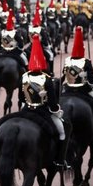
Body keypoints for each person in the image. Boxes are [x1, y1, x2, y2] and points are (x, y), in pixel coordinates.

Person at [20, 33, 67, 170]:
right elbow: (52, 102)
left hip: (26, 110)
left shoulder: (23, 77)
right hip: (43, 111)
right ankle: (60, 160)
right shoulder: (46, 79)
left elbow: (20, 98)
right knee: (62, 131)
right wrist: (56, 109)